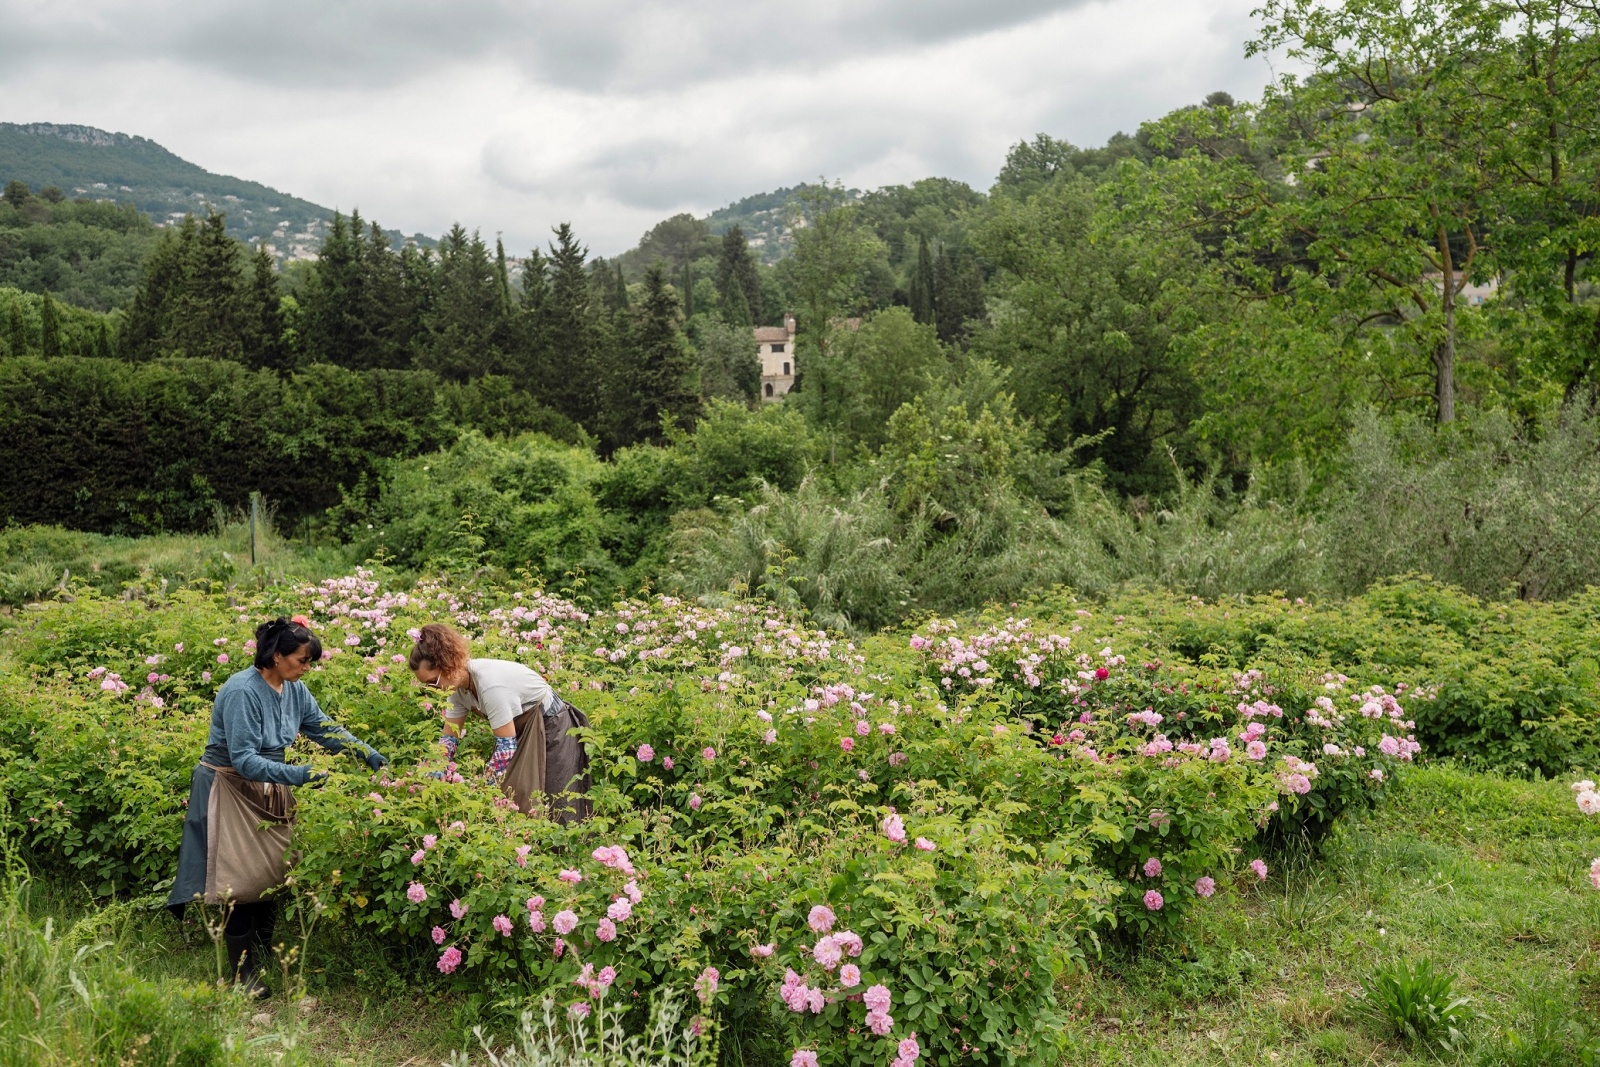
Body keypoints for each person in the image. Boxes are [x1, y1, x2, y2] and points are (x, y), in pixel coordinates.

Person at [168, 616, 388, 999]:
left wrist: (366, 753)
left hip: (269, 785)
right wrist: (301, 773)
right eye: (302, 660)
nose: (306, 668)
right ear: (275, 655)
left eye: (309, 662)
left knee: (273, 872)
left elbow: (323, 727)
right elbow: (244, 760)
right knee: (240, 880)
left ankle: (262, 954)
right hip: (230, 786)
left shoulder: (294, 691)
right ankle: (241, 974)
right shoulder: (242, 691)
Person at [407, 622, 591, 823]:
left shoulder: (489, 685)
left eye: (433, 682)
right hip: (520, 729)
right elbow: (450, 737)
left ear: (447, 665)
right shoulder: (457, 689)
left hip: (552, 726)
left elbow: (505, 749)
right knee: (518, 796)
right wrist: (436, 768)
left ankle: (563, 852)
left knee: (556, 798)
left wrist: (480, 790)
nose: (433, 689)